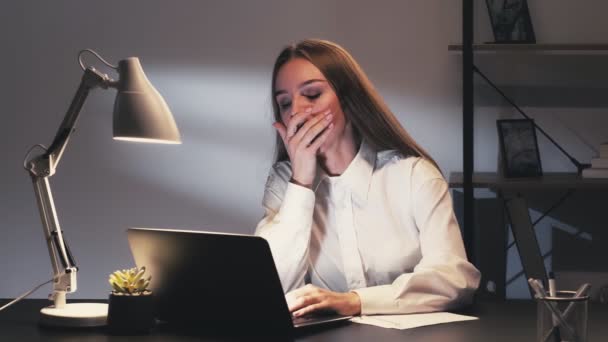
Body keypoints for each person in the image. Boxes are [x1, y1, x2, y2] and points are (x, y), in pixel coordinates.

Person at [255, 39, 480, 318]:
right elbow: (272, 289)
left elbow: (454, 279)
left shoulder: (413, 176)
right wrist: (301, 182)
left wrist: (355, 301)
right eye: (285, 102)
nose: (296, 112)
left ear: (347, 99)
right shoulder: (284, 185)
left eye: (312, 95)